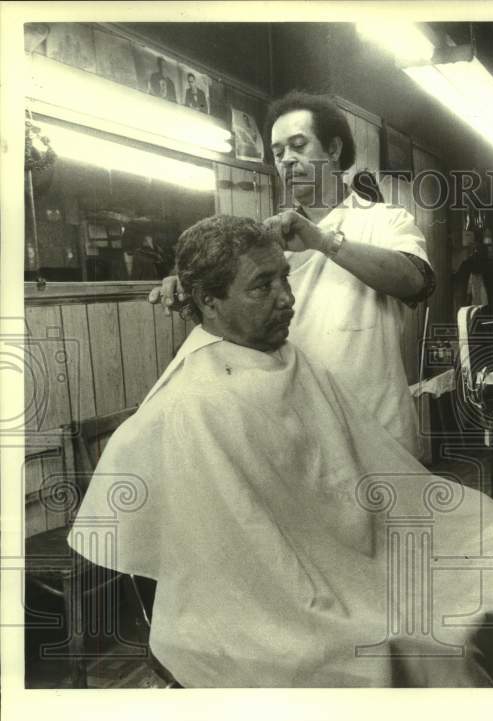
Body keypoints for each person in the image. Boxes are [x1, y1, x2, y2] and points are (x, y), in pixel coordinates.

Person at [72, 215, 493, 687]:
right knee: (427, 648)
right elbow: (246, 553)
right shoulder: (191, 405)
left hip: (363, 547)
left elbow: (351, 482)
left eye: (285, 276)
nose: (288, 298)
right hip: (279, 600)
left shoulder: (287, 359)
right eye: (263, 285)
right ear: (209, 301)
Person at [151, 91, 435, 456]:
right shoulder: (265, 238)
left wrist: (321, 240)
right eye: (279, 151)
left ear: (333, 150)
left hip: (378, 427)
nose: (287, 160)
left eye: (298, 146)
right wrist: (189, 287)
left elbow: (417, 281)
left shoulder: (385, 220)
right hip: (300, 430)